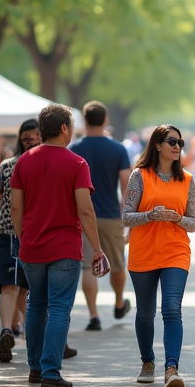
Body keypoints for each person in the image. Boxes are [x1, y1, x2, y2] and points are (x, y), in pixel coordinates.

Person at [11, 104, 102, 387]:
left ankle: (35, 368)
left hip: (32, 246)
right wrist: (97, 248)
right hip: (64, 245)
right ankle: (51, 371)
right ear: (64, 128)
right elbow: (85, 210)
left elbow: (15, 206)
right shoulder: (76, 163)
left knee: (36, 305)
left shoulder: (24, 161)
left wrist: (23, 236)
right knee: (60, 307)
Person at [124, 125, 195, 387]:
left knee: (170, 309)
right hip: (143, 251)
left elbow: (194, 223)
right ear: (157, 145)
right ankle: (147, 362)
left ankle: (172, 368)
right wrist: (150, 215)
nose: (178, 146)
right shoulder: (139, 175)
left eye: (181, 142)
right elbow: (126, 216)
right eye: (172, 141)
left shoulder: (187, 179)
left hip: (175, 252)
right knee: (145, 312)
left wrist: (178, 218)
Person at [0, 119, 54, 362]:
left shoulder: (9, 165)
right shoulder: (25, 165)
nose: (31, 140)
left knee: (16, 288)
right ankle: (14, 332)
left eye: (35, 136)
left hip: (18, 233)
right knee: (19, 288)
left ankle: (13, 331)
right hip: (24, 233)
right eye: (26, 138)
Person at [69, 101, 132, 331]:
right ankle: (118, 302)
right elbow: (127, 187)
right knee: (117, 264)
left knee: (87, 266)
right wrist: (127, 215)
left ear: (84, 121)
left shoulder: (74, 149)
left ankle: (93, 315)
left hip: (83, 216)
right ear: (105, 120)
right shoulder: (118, 149)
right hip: (111, 214)